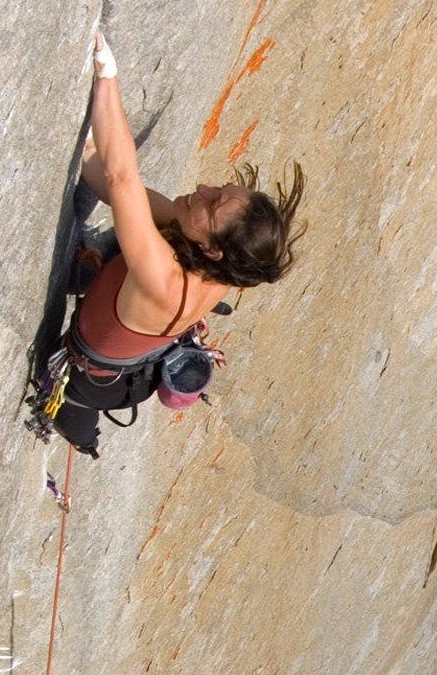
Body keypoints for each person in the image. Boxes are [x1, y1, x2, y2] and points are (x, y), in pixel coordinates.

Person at [50, 34, 304, 455]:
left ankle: (81, 434)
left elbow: (121, 178)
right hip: (136, 342)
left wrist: (106, 77)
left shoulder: (164, 279)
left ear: (213, 250)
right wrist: (83, 144)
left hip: (95, 384)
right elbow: (111, 183)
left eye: (213, 202)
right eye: (219, 188)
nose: (202, 188)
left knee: (72, 413)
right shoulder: (217, 262)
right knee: (132, 232)